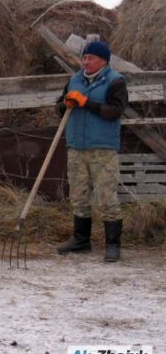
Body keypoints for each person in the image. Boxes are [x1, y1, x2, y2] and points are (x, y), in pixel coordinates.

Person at [56, 39, 128, 262]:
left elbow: (115, 112)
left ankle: (113, 245)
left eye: (91, 58)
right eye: (84, 58)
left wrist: (86, 102)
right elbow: (58, 108)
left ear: (104, 60)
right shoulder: (75, 80)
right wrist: (65, 104)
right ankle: (81, 240)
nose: (86, 62)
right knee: (78, 196)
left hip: (103, 148)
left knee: (107, 197)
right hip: (77, 147)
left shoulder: (116, 82)